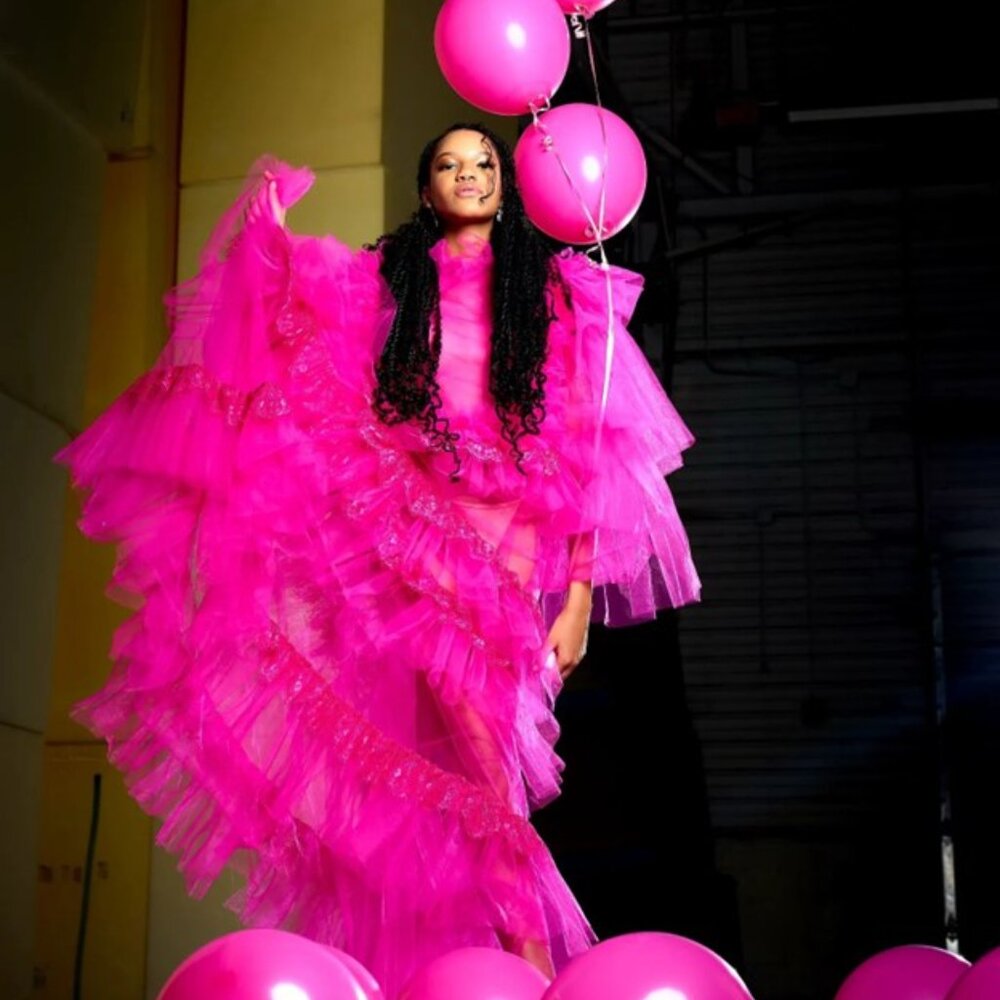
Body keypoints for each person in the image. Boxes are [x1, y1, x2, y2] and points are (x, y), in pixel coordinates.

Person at [54, 122, 700, 995]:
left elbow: (586, 448)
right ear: (427, 188)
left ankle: (527, 970)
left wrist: (578, 593)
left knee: (491, 772)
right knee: (465, 773)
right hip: (414, 532)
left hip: (506, 542)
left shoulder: (549, 289)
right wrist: (271, 235)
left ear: (504, 187)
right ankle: (526, 970)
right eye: (449, 166)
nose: (469, 177)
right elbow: (298, 313)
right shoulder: (393, 278)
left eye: (483, 165)